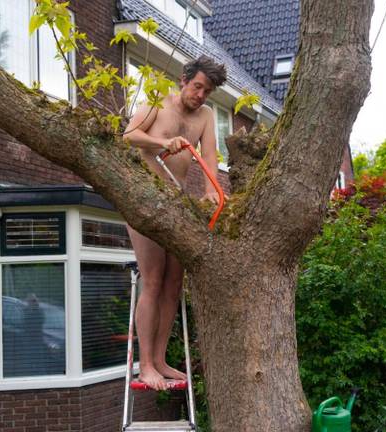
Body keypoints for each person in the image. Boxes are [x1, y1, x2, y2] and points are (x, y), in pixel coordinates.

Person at [123, 55, 227, 390]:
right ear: (184, 80)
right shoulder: (157, 101)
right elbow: (129, 135)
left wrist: (213, 191)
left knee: (172, 284)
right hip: (145, 199)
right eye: (197, 86)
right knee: (152, 280)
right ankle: (146, 365)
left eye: (207, 91)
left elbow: (210, 159)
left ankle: (162, 359)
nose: (201, 95)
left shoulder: (207, 116)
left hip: (177, 204)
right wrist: (162, 143)